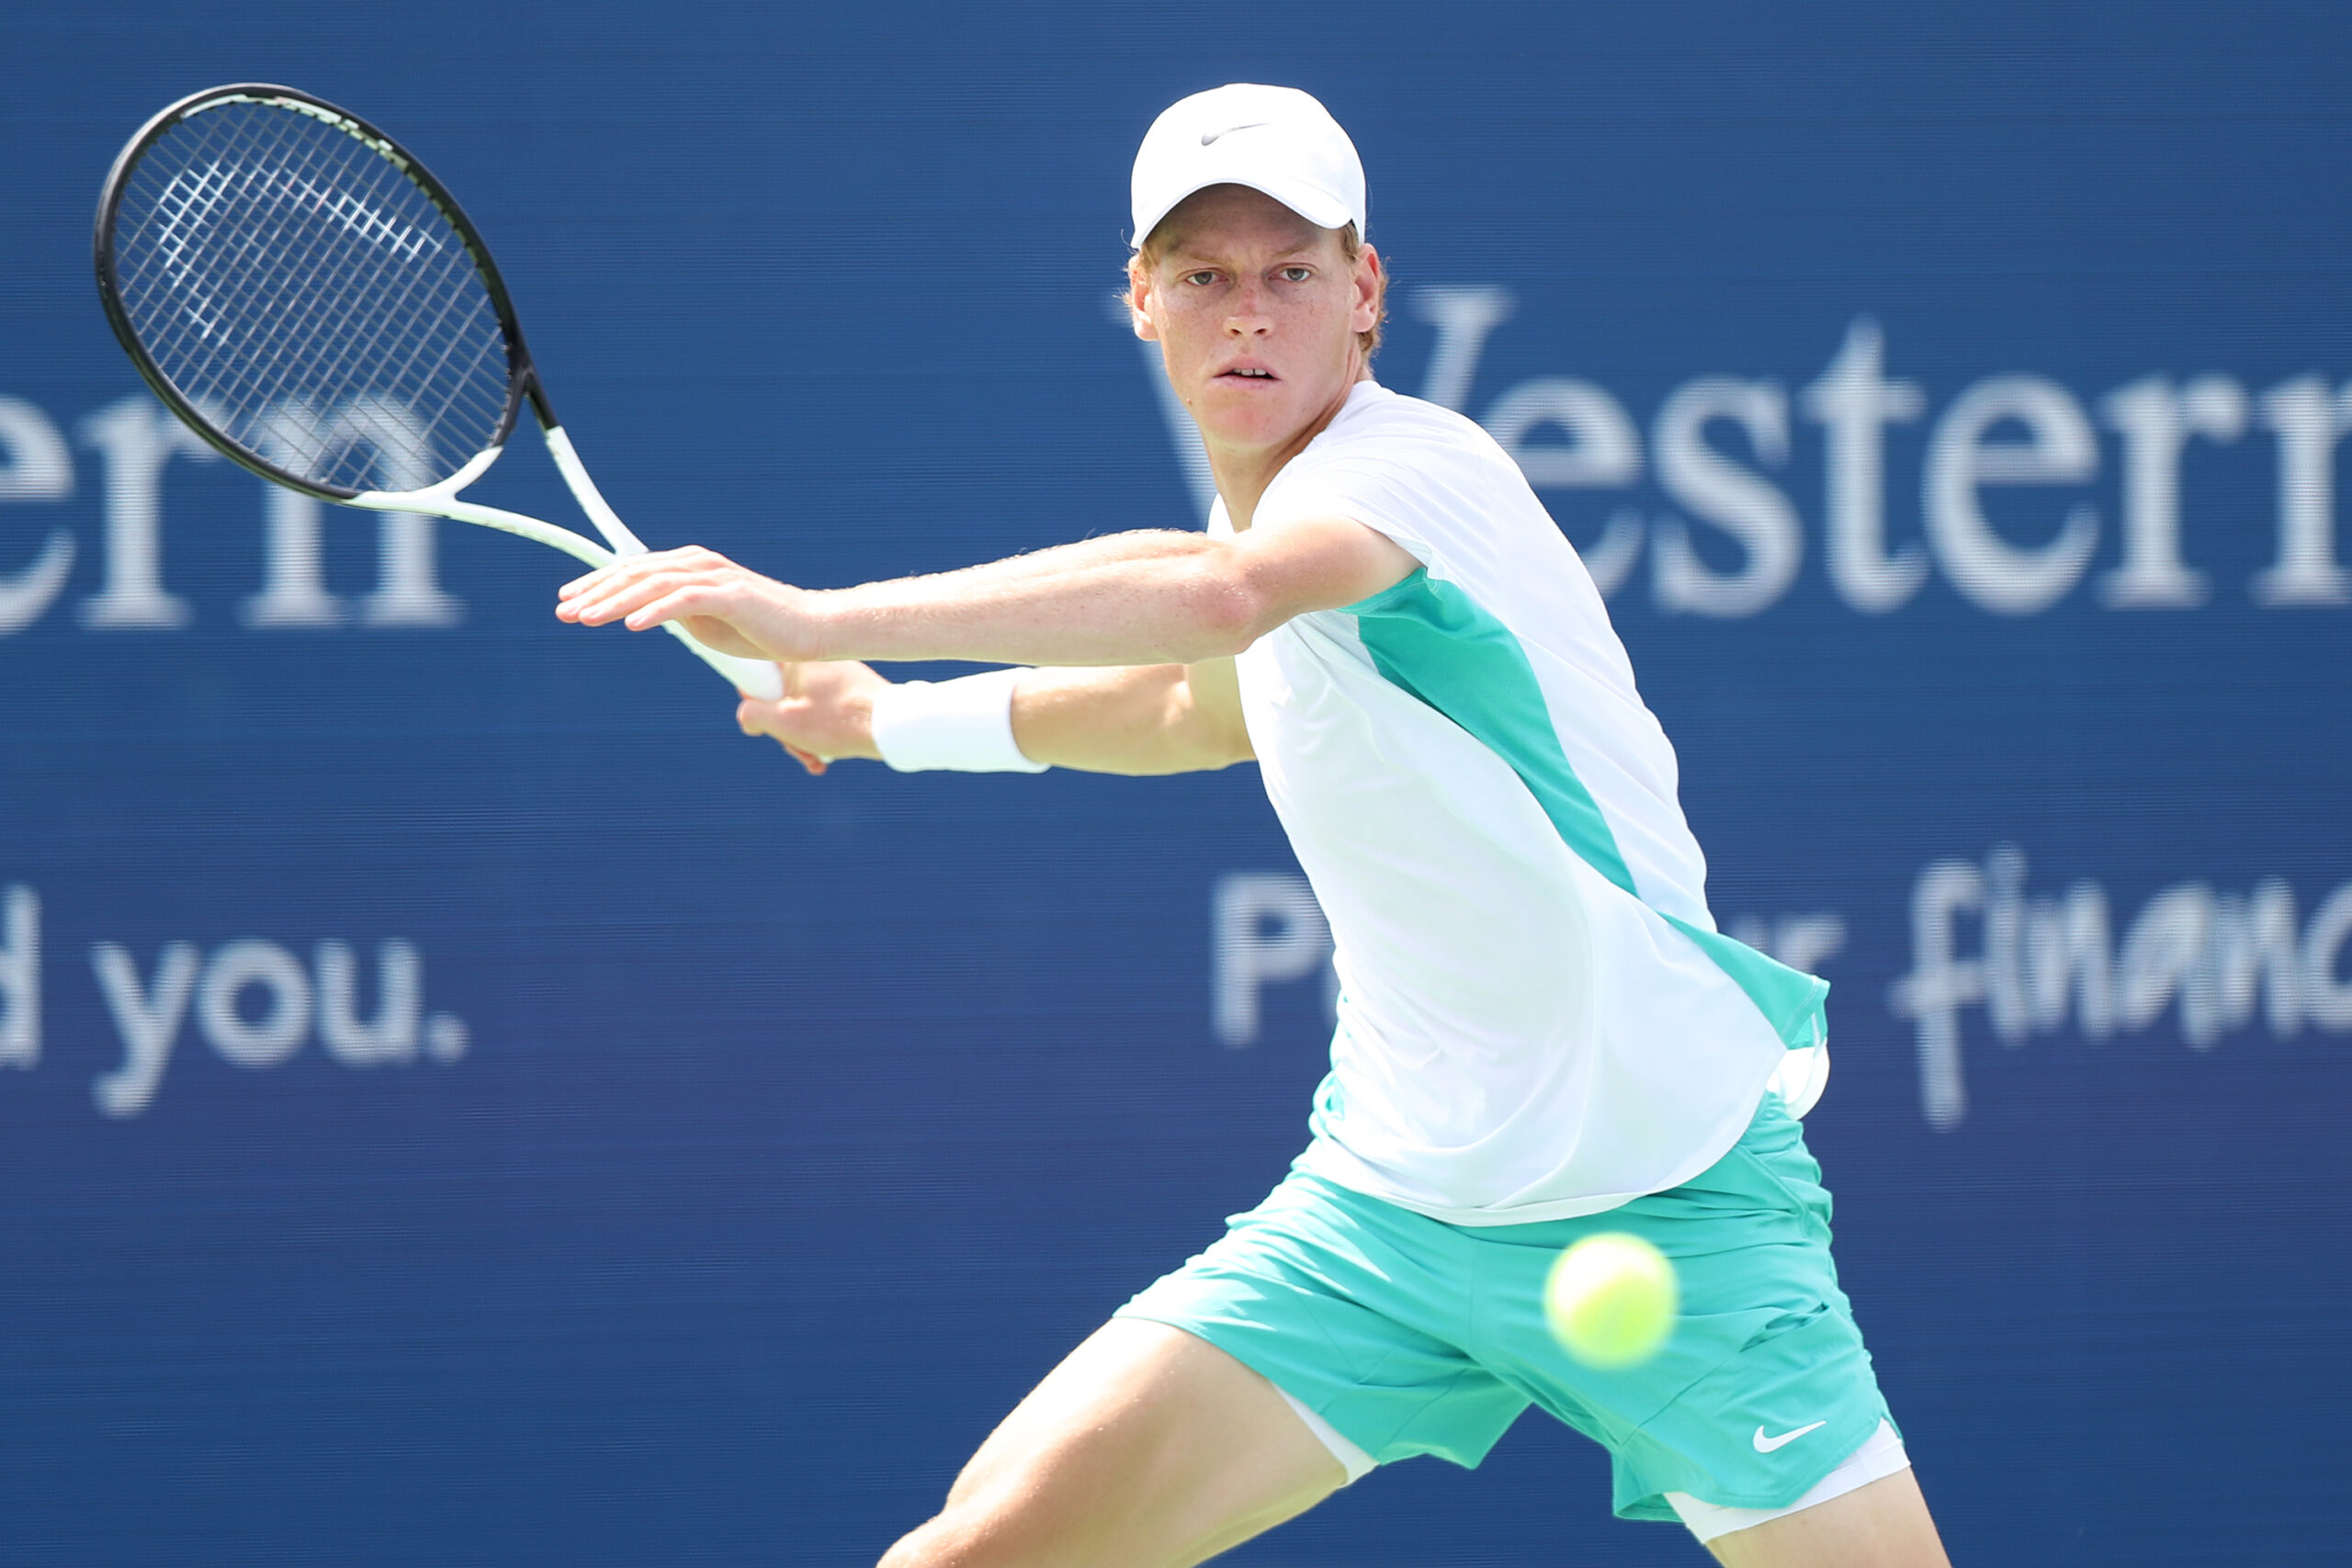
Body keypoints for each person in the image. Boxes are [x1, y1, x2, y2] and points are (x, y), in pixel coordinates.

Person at [555, 83, 1951, 1568]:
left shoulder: (1419, 472)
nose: (1251, 314)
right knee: (977, 1555)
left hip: (1669, 1206)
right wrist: (884, 717)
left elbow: (1221, 601)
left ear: (1367, 295)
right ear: (1142, 303)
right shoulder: (1273, 532)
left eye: (1293, 272)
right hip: (1387, 1221)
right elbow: (1194, 706)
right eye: (1206, 277)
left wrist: (822, 611)